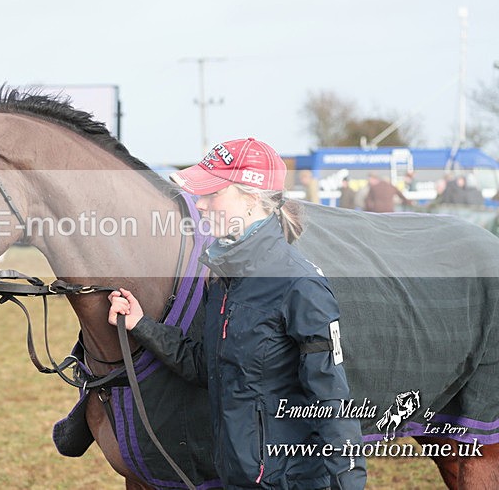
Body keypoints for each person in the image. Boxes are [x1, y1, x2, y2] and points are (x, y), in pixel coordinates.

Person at [108, 138, 366, 489]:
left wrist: (347, 483)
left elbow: (332, 399)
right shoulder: (224, 279)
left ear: (251, 198)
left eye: (213, 194)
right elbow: (207, 365)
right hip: (235, 477)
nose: (200, 204)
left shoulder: (299, 284)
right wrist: (142, 326)